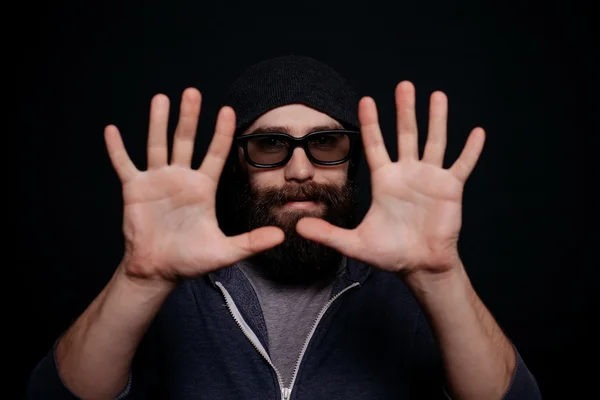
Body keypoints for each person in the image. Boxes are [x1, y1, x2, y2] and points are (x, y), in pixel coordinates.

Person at [27, 55, 542, 399]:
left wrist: (438, 274)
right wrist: (139, 280)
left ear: (351, 163)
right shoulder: (175, 288)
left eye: (326, 143)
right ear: (237, 164)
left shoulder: (403, 291)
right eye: (270, 145)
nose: (300, 170)